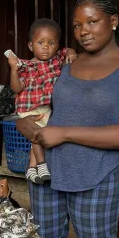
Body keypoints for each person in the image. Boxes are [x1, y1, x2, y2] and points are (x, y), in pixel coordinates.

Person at [15, 0, 119, 238]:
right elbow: (42, 105)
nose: (83, 31)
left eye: (92, 22)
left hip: (95, 178)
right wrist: (24, 123)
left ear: (113, 21)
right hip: (47, 175)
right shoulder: (67, 64)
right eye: (78, 25)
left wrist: (65, 133)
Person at [8, 18, 77, 184]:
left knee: (42, 135)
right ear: (31, 46)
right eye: (40, 42)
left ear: (57, 46)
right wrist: (13, 69)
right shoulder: (25, 66)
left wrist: (71, 52)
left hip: (46, 108)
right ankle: (41, 164)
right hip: (29, 107)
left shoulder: (57, 60)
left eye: (51, 43)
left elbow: (68, 51)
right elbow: (16, 89)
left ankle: (32, 169)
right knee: (37, 135)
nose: (46, 46)